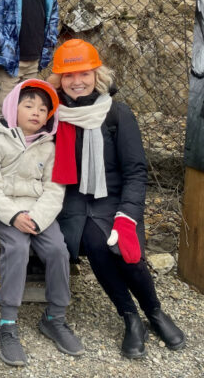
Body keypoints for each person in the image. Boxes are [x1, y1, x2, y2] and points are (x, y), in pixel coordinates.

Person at [49, 39, 185, 359]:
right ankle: (130, 317)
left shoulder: (116, 113)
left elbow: (136, 172)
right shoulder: (53, 115)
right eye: (68, 76)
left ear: (97, 74)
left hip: (115, 198)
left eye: (84, 73)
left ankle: (154, 312)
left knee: (128, 253)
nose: (77, 81)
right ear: (58, 80)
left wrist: (127, 214)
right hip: (74, 200)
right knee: (97, 245)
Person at [0, 79, 84, 367]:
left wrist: (37, 217)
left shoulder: (49, 146)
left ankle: (55, 317)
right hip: (7, 212)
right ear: (14, 107)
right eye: (29, 105)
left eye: (43, 109)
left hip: (40, 213)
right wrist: (13, 216)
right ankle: (8, 322)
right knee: (17, 249)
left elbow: (54, 188)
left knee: (58, 251)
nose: (36, 112)